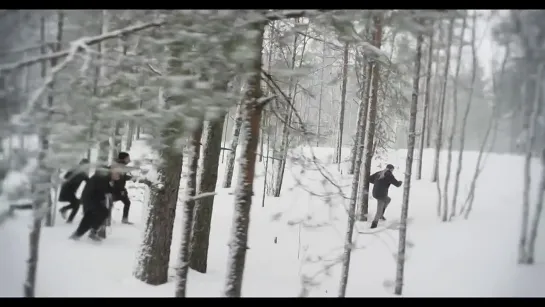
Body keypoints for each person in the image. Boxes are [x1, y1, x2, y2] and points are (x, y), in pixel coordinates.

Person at [69, 165, 121, 241]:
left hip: (91, 199)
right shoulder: (103, 178)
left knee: (91, 217)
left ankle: (78, 234)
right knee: (99, 213)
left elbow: (108, 190)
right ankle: (89, 233)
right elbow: (106, 189)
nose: (119, 175)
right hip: (91, 199)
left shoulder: (104, 178)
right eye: (117, 173)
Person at [368, 164, 402, 229]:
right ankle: (374, 224)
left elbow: (369, 179)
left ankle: (381, 214)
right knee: (379, 209)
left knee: (388, 199)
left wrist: (377, 183)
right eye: (392, 170)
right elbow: (397, 184)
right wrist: (400, 182)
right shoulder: (389, 175)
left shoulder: (379, 172)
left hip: (375, 193)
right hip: (381, 194)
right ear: (391, 169)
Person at [59, 159, 90, 223]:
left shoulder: (82, 173)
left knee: (76, 204)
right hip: (66, 190)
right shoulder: (80, 173)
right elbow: (65, 178)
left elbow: (89, 182)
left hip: (69, 191)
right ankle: (67, 216)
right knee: (77, 204)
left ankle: (64, 211)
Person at [111, 152, 133, 224]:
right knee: (109, 204)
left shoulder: (121, 166)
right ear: (123, 159)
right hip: (114, 189)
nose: (129, 160)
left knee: (127, 202)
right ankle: (105, 221)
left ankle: (124, 219)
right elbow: (118, 179)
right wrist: (121, 190)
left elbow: (122, 177)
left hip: (119, 189)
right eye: (128, 158)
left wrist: (131, 178)